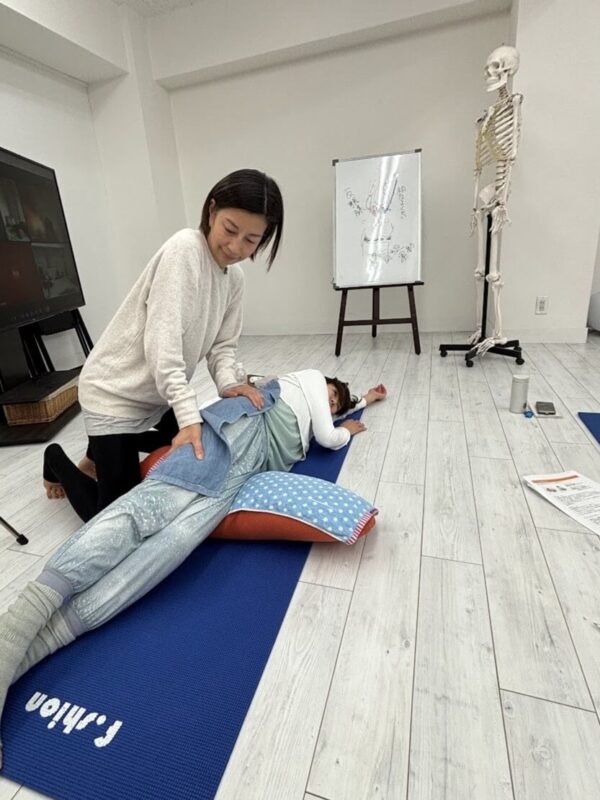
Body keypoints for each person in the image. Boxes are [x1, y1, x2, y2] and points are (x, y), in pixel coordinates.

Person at [0, 370, 386, 766]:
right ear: (319, 383)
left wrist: (364, 400)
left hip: (253, 465)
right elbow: (328, 435)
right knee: (146, 510)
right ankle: (14, 627)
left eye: (336, 404)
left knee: (172, 546)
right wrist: (345, 429)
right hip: (242, 427)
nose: (331, 402)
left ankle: (27, 651)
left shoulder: (320, 409)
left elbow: (336, 412)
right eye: (331, 394)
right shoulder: (305, 380)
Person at [43, 168, 284, 520]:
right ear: (211, 211)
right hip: (114, 393)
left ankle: (103, 450)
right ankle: (55, 460)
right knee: (113, 516)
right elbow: (163, 349)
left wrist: (229, 384)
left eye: (251, 239)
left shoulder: (235, 279)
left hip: (155, 394)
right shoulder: (184, 250)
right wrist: (187, 418)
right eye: (230, 229)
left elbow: (222, 347)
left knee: (208, 450)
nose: (236, 247)